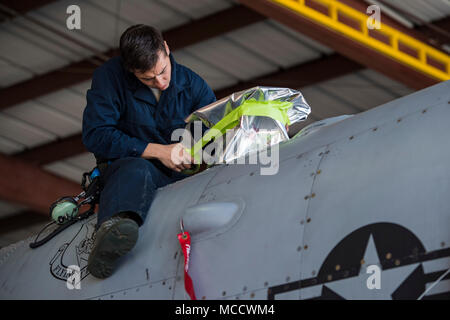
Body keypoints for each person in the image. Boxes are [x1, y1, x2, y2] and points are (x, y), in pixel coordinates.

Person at [82, 24, 216, 279]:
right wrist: (159, 151)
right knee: (137, 169)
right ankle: (112, 233)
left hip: (180, 178)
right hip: (126, 174)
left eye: (163, 71)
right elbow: (95, 134)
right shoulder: (109, 78)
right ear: (130, 70)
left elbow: (214, 136)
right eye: (148, 79)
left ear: (166, 48)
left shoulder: (193, 85)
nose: (160, 82)